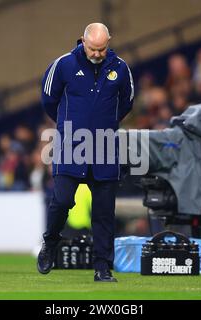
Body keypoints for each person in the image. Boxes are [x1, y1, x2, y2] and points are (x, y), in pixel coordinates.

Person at [38, 23, 134, 282]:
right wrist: (69, 126)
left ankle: (103, 268)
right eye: (93, 48)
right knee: (61, 201)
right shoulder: (63, 65)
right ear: (82, 41)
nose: (97, 53)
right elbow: (49, 99)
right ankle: (50, 243)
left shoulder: (121, 68)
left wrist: (105, 124)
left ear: (109, 42)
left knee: (104, 213)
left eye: (102, 49)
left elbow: (126, 102)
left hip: (105, 148)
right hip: (71, 146)